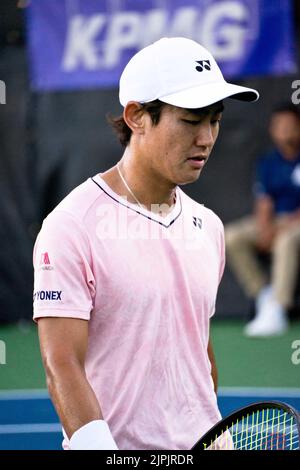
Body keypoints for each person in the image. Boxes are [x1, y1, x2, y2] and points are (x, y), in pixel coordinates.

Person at [33, 37, 258, 450]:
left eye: (215, 120)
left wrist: (214, 435)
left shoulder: (207, 226)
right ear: (137, 116)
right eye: (191, 121)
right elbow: (61, 365)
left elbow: (198, 356)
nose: (207, 138)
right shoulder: (70, 225)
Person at [225, 103, 300, 337]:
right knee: (232, 236)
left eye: (289, 126)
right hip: (277, 221)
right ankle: (264, 295)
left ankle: (279, 305)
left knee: (286, 240)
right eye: (279, 126)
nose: (284, 131)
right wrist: (266, 228)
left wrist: (288, 224)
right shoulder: (268, 162)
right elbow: (264, 201)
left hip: (295, 225)